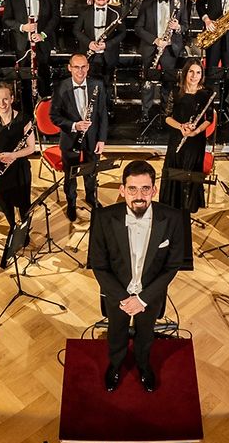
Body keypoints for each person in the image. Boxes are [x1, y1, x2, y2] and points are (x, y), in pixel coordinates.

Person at [89, 160, 190, 393]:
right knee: (116, 332)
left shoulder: (172, 218)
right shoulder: (104, 218)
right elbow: (99, 266)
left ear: (154, 190)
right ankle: (115, 365)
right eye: (132, 189)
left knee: (146, 334)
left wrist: (143, 299)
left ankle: (144, 365)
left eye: (145, 189)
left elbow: (172, 265)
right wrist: (124, 298)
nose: (139, 196)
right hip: (117, 295)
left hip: (150, 295)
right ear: (122, 190)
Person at [0, 82, 36, 266]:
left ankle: (24, 232)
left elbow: (31, 148)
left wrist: (13, 155)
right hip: (0, 168)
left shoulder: (25, 119)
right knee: (6, 202)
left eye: (5, 99)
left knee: (24, 203)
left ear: (12, 98)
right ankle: (12, 226)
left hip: (19, 167)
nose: (2, 103)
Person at [49, 54, 109, 221]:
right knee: (71, 175)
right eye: (76, 67)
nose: (80, 71)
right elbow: (54, 116)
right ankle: (72, 203)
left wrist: (102, 139)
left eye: (83, 67)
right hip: (70, 139)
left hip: (92, 138)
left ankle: (90, 197)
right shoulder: (61, 87)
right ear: (70, 68)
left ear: (88, 67)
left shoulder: (97, 85)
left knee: (91, 172)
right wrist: (74, 125)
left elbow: (102, 113)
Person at [159, 60, 215, 217]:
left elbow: (208, 119)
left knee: (191, 172)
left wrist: (195, 131)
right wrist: (181, 127)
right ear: (185, 73)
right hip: (178, 137)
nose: (194, 76)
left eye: (198, 72)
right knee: (175, 168)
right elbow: (166, 116)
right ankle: (172, 206)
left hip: (195, 141)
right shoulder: (176, 91)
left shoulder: (206, 93)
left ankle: (188, 206)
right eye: (191, 71)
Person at [3, 0, 59, 104]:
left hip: (42, 42)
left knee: (44, 77)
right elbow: (7, 20)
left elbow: (55, 17)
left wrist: (43, 34)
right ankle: (27, 112)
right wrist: (22, 27)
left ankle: (45, 110)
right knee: (25, 81)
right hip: (22, 43)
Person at [134, 0, 185, 125]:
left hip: (170, 49)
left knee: (168, 84)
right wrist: (155, 40)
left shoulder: (179, 3)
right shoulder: (147, 3)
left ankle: (166, 114)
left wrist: (178, 27)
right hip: (151, 48)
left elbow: (186, 26)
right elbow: (138, 28)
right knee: (147, 83)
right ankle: (145, 113)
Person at [74, 0, 124, 94]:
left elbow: (122, 33)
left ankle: (106, 108)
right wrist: (89, 43)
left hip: (108, 54)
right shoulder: (85, 11)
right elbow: (76, 30)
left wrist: (107, 45)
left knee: (107, 84)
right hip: (90, 54)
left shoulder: (116, 12)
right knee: (90, 83)